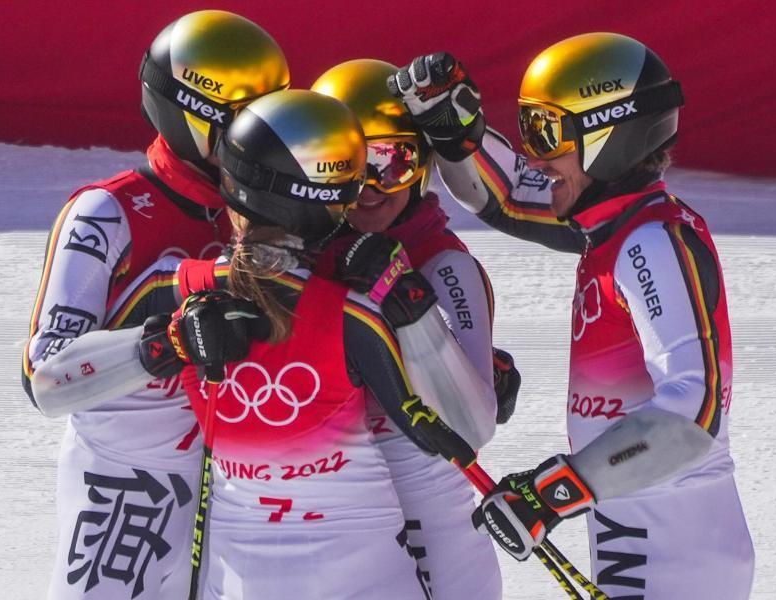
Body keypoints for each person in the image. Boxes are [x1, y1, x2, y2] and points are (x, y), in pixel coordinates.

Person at [30, 89, 487, 599]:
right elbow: (466, 430)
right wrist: (168, 343)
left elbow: (51, 384)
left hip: (254, 577)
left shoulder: (182, 286)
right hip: (349, 574)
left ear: (234, 188)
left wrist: (164, 344)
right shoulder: (350, 306)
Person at [390, 36, 755, 599]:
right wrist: (454, 131)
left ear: (608, 136)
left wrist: (554, 491)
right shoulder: (615, 227)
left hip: (672, 543)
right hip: (638, 524)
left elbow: (693, 408)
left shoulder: (650, 241)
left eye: (546, 134)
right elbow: (507, 195)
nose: (535, 155)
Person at [22, 10, 289, 599]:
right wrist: (164, 342)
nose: (262, 147)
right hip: (126, 485)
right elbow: (46, 378)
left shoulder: (267, 215)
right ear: (191, 115)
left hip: (242, 485)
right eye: (245, 125)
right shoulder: (106, 212)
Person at [311, 59, 503, 599]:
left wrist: (415, 317)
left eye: (391, 162)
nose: (369, 188)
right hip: (332, 521)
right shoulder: (304, 254)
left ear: (420, 165)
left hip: (425, 523)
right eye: (349, 166)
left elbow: (473, 428)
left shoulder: (445, 265)